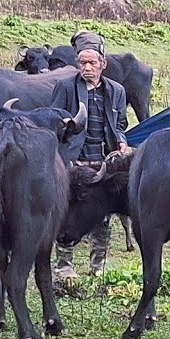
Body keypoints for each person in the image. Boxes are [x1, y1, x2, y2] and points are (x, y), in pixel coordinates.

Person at [50, 32, 129, 280]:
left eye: (92, 63)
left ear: (103, 64)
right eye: (82, 62)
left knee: (101, 214)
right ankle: (64, 266)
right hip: (74, 162)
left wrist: (121, 142)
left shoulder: (116, 91)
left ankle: (99, 265)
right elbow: (55, 122)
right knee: (68, 212)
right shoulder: (65, 87)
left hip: (103, 161)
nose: (87, 67)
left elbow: (121, 124)